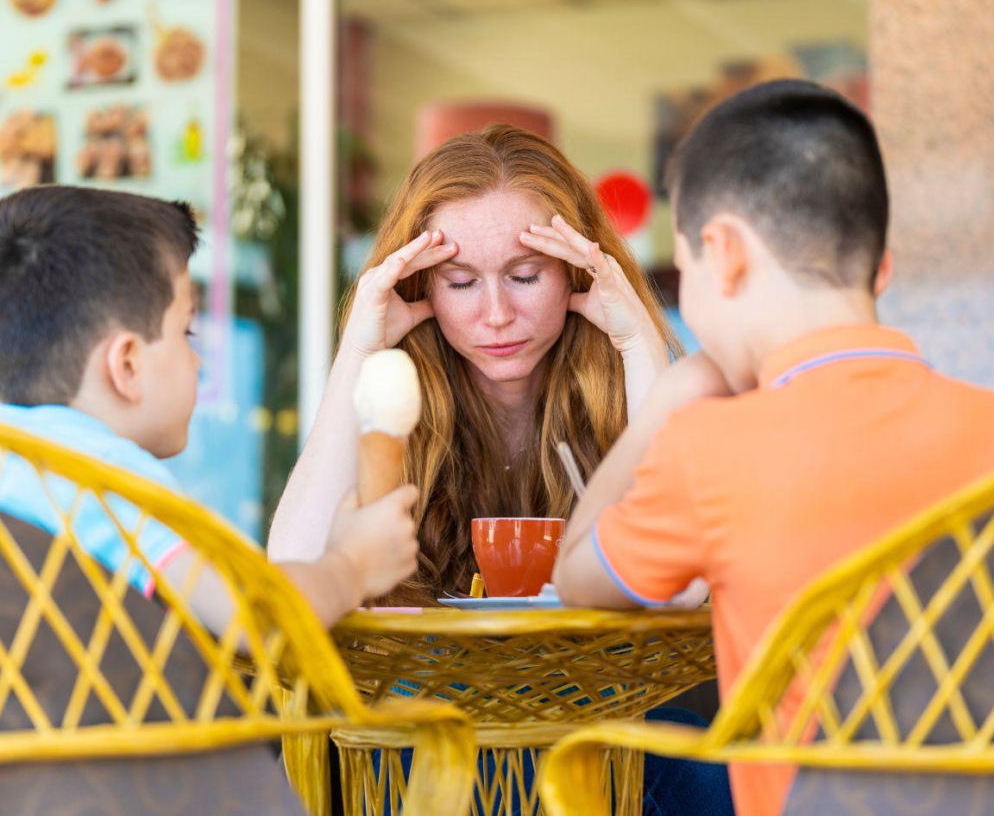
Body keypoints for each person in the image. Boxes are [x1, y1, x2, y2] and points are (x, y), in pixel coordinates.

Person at [552, 78, 994, 816]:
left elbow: (575, 575)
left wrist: (662, 407)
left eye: (685, 270)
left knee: (623, 740)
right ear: (876, 262)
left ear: (723, 254)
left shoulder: (707, 446)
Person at [268, 124, 681, 603]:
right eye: (461, 282)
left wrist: (637, 341)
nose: (497, 315)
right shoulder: (400, 396)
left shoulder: (630, 385)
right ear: (421, 284)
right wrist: (358, 355)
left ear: (574, 270)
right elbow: (294, 568)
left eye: (524, 276)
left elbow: (682, 584)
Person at [0, 185, 420, 634]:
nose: (197, 360)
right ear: (126, 365)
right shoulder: (99, 477)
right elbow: (249, 616)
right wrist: (351, 565)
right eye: (188, 332)